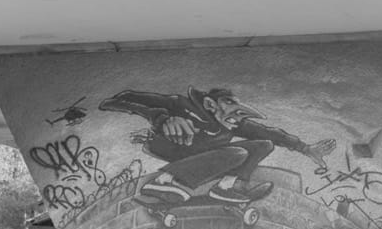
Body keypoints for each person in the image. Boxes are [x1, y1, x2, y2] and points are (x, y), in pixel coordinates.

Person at [100, 86, 335, 205]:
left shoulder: (231, 124)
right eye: (229, 105)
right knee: (237, 152)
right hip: (169, 147)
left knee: (263, 144)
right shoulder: (180, 105)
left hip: (201, 156)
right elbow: (132, 100)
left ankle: (225, 187)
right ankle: (162, 183)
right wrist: (163, 119)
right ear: (212, 105)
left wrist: (306, 148)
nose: (235, 121)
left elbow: (272, 134)